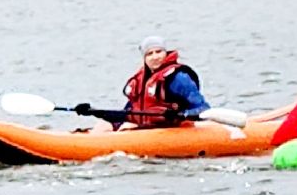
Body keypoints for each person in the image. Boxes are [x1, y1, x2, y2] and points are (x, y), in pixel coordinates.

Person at [90, 35, 226, 131]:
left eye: (159, 52)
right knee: (103, 125)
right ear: (144, 58)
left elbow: (203, 109)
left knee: (127, 128)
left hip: (170, 128)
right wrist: (96, 112)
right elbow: (129, 112)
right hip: (143, 126)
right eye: (149, 54)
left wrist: (180, 115)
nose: (155, 57)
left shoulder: (179, 78)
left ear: (165, 53)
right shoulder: (140, 80)